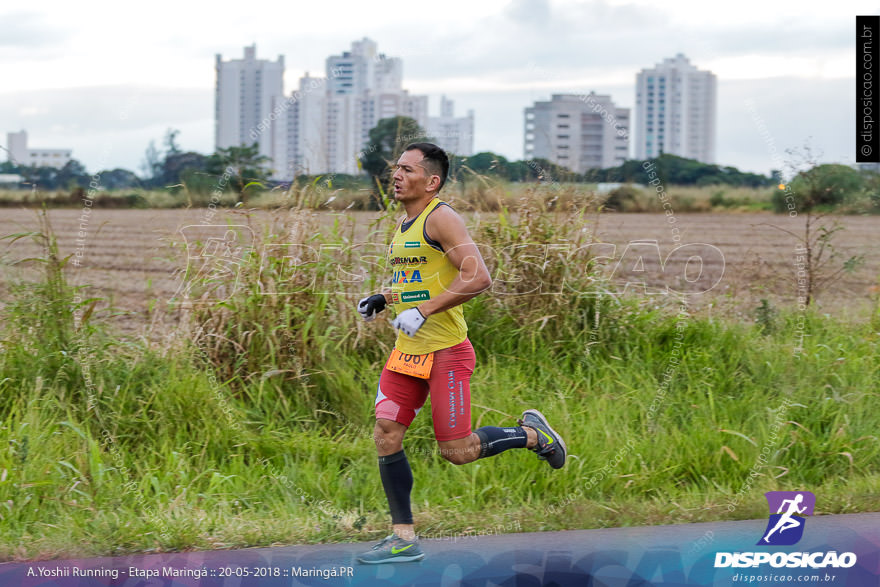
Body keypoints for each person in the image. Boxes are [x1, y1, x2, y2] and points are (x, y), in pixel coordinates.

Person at [355, 143, 567, 564]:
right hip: (407, 352)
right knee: (385, 432)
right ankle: (402, 538)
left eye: (406, 169)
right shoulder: (404, 224)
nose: (395, 175)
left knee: (457, 452)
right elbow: (422, 280)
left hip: (446, 352)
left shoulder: (442, 218)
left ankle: (533, 435)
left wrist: (425, 310)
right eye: (395, 168)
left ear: (431, 181)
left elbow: (478, 276)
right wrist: (385, 296)